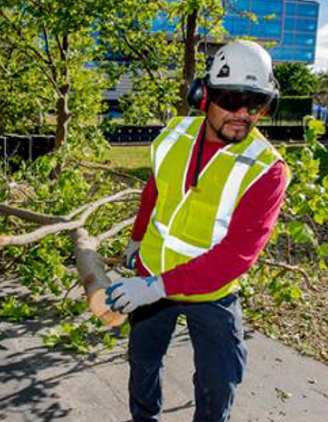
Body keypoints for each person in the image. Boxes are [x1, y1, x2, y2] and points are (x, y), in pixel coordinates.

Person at [105, 39, 289, 422]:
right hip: (153, 270)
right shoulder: (174, 135)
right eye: (231, 99)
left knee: (220, 379)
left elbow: (236, 256)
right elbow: (155, 188)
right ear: (202, 96)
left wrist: (154, 287)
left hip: (212, 288)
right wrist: (137, 237)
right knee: (142, 362)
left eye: (254, 104)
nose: (242, 114)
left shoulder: (267, 170)